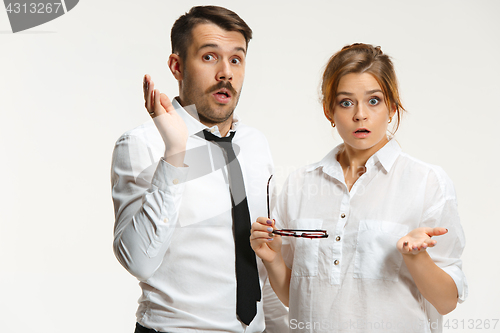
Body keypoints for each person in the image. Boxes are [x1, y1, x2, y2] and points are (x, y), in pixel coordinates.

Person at [250, 43, 467, 333]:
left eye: (374, 101)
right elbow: (296, 296)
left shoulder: (427, 183)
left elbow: (446, 302)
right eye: (346, 102)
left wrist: (416, 257)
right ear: (329, 110)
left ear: (391, 107)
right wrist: (273, 258)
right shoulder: (299, 184)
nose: (360, 115)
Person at [111, 6, 287, 333]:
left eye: (236, 59)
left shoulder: (255, 144)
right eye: (209, 57)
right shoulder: (142, 144)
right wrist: (175, 153)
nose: (226, 73)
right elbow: (138, 260)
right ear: (177, 66)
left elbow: (262, 259)